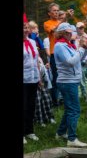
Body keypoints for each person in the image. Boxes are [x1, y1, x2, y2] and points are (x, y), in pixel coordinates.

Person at [54, 22, 87, 147]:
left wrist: (85, 48)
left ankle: (61, 132)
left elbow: (79, 57)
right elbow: (70, 62)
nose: (70, 34)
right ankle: (72, 139)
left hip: (71, 80)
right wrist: (80, 48)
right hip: (67, 82)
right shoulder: (60, 46)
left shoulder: (68, 45)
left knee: (69, 109)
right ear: (62, 33)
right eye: (68, 32)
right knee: (75, 110)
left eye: (71, 32)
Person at [23, 13, 40, 144]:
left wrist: (39, 77)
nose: (26, 30)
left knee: (31, 106)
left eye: (26, 27)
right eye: (23, 27)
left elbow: (36, 61)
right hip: (24, 80)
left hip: (33, 79)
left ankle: (29, 131)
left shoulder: (33, 42)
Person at [43, 3, 62, 107]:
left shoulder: (61, 22)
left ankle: (63, 98)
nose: (56, 12)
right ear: (49, 13)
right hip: (54, 53)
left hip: (63, 52)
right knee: (55, 78)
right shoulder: (47, 23)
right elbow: (54, 30)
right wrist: (62, 22)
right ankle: (55, 102)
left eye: (57, 10)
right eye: (54, 10)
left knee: (64, 76)